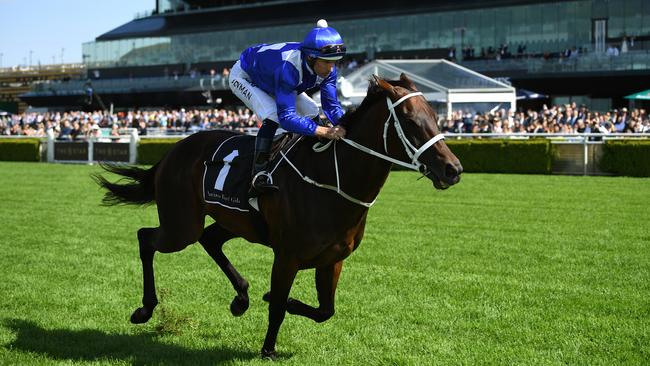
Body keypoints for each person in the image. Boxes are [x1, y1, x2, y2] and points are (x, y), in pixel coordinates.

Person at [229, 19, 347, 196]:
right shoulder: (289, 69)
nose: (331, 68)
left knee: (312, 110)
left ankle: (315, 158)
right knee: (273, 116)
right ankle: (258, 174)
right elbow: (286, 118)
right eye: (327, 62)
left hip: (274, 79)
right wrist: (323, 131)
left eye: (335, 62)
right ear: (311, 57)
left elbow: (331, 107)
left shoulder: (326, 67)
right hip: (245, 76)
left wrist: (348, 125)